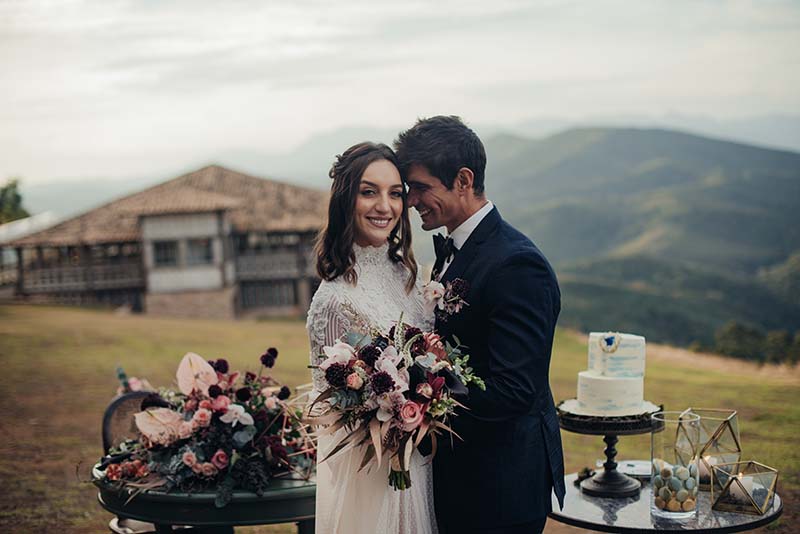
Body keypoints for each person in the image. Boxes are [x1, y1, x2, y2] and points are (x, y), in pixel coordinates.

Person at [394, 116, 565, 534]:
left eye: (420, 186)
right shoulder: (455, 249)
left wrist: (428, 392)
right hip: (462, 471)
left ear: (463, 180)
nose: (410, 200)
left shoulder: (516, 265)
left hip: (500, 483)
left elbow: (514, 392)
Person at [306, 142, 438, 534]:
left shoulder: (409, 277)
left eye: (395, 193)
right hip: (372, 476)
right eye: (369, 191)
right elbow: (332, 413)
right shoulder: (333, 298)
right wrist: (391, 411)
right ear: (346, 199)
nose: (385, 206)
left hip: (422, 464)